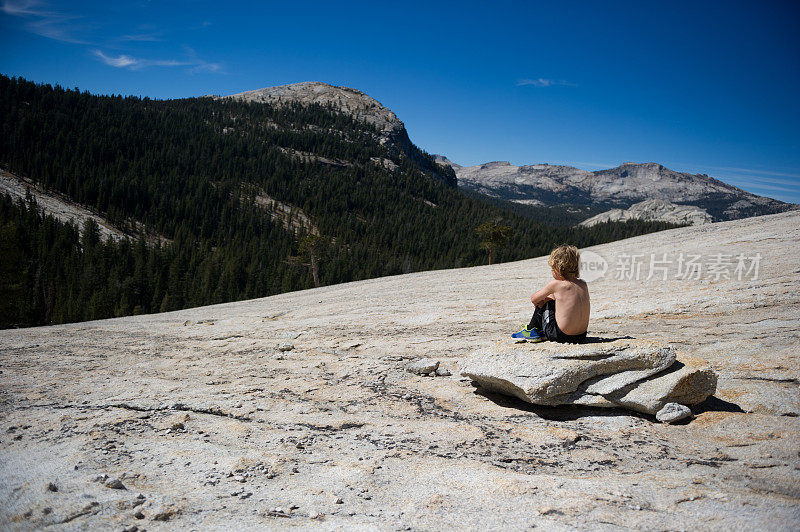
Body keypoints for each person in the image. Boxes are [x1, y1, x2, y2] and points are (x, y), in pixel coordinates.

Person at [511, 245, 589, 343]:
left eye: (552, 269)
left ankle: (531, 330)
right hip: (581, 336)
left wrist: (544, 301)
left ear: (558, 267)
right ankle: (539, 329)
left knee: (544, 301)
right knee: (553, 298)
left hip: (560, 335)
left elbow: (534, 299)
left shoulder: (555, 284)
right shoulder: (583, 284)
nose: (552, 271)